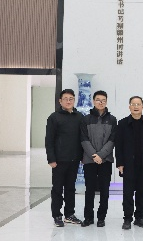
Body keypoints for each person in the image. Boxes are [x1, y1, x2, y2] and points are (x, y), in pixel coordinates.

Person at [115, 96, 143, 230]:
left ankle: (139, 218)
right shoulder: (122, 123)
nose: (136, 106)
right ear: (129, 107)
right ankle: (127, 218)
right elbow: (118, 144)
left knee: (141, 192)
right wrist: (120, 163)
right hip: (128, 164)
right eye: (133, 104)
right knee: (127, 193)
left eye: (138, 104)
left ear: (142, 107)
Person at [45, 89, 84, 227]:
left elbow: (82, 139)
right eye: (65, 99)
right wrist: (51, 159)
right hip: (59, 160)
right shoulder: (54, 117)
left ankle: (69, 214)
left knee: (70, 188)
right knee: (57, 189)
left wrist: (82, 157)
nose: (68, 101)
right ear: (60, 101)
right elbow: (49, 140)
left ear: (74, 100)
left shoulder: (79, 117)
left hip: (74, 159)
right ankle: (57, 215)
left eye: (71, 99)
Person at [80, 90, 117, 228]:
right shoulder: (86, 119)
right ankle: (88, 217)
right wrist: (94, 155)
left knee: (104, 190)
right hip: (89, 160)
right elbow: (83, 139)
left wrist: (101, 155)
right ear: (93, 101)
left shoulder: (112, 119)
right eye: (98, 100)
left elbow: (112, 140)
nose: (100, 102)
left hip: (105, 160)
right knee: (89, 190)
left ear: (106, 102)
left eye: (103, 100)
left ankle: (101, 217)